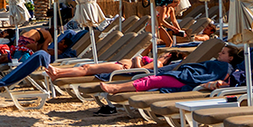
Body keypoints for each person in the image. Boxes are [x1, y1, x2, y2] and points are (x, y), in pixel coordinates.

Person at [96, 46, 243, 95]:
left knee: (150, 80)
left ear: (230, 58)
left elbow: (207, 76)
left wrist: (191, 73)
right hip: (183, 75)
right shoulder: (219, 64)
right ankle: (117, 88)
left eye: (223, 53)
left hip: (186, 79)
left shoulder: (225, 68)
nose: (219, 54)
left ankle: (116, 88)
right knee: (149, 80)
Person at [45, 48, 185, 78]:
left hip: (121, 68)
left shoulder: (159, 64)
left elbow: (142, 70)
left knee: (87, 68)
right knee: (86, 67)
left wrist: (136, 59)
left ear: (169, 55)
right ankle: (58, 72)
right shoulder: (156, 60)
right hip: (121, 65)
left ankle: (58, 73)